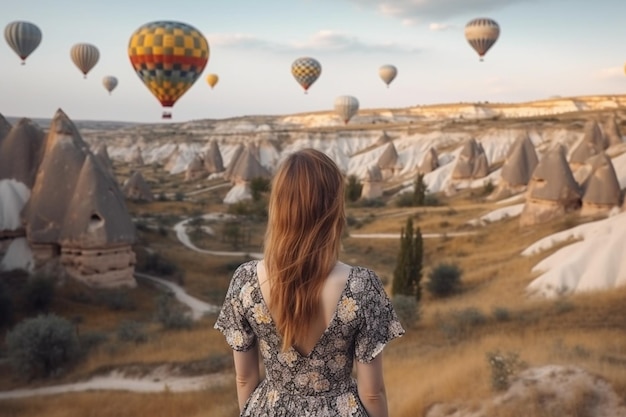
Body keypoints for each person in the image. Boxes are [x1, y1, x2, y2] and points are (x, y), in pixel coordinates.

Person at [214, 148, 405, 417]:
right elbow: (372, 392)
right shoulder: (361, 285)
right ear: (333, 208)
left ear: (278, 206)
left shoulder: (245, 280)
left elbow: (244, 379)